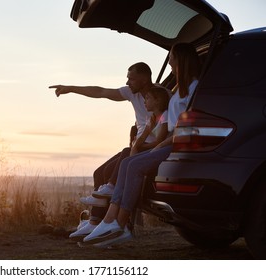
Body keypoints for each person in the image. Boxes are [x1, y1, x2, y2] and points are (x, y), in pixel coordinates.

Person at [82, 42, 202, 248]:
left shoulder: (192, 89)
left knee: (133, 164)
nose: (170, 60)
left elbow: (185, 128)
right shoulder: (180, 90)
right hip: (169, 142)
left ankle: (119, 224)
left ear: (181, 60)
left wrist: (159, 144)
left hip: (174, 143)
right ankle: (111, 220)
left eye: (172, 56)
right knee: (128, 163)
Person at [49, 62, 155, 240]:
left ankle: (112, 220)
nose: (127, 82)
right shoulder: (131, 93)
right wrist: (70, 88)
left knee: (115, 165)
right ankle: (93, 222)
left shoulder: (160, 96)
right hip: (137, 145)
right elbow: (101, 92)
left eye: (131, 78)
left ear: (144, 79)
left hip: (146, 147)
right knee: (100, 173)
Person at [71, 85, 171, 242]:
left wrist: (138, 146)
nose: (145, 102)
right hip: (140, 149)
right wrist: (142, 137)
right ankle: (96, 220)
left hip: (150, 150)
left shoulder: (164, 116)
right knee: (101, 172)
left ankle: (110, 207)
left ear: (157, 100)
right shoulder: (150, 118)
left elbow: (156, 142)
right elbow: (140, 141)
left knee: (126, 159)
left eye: (148, 99)